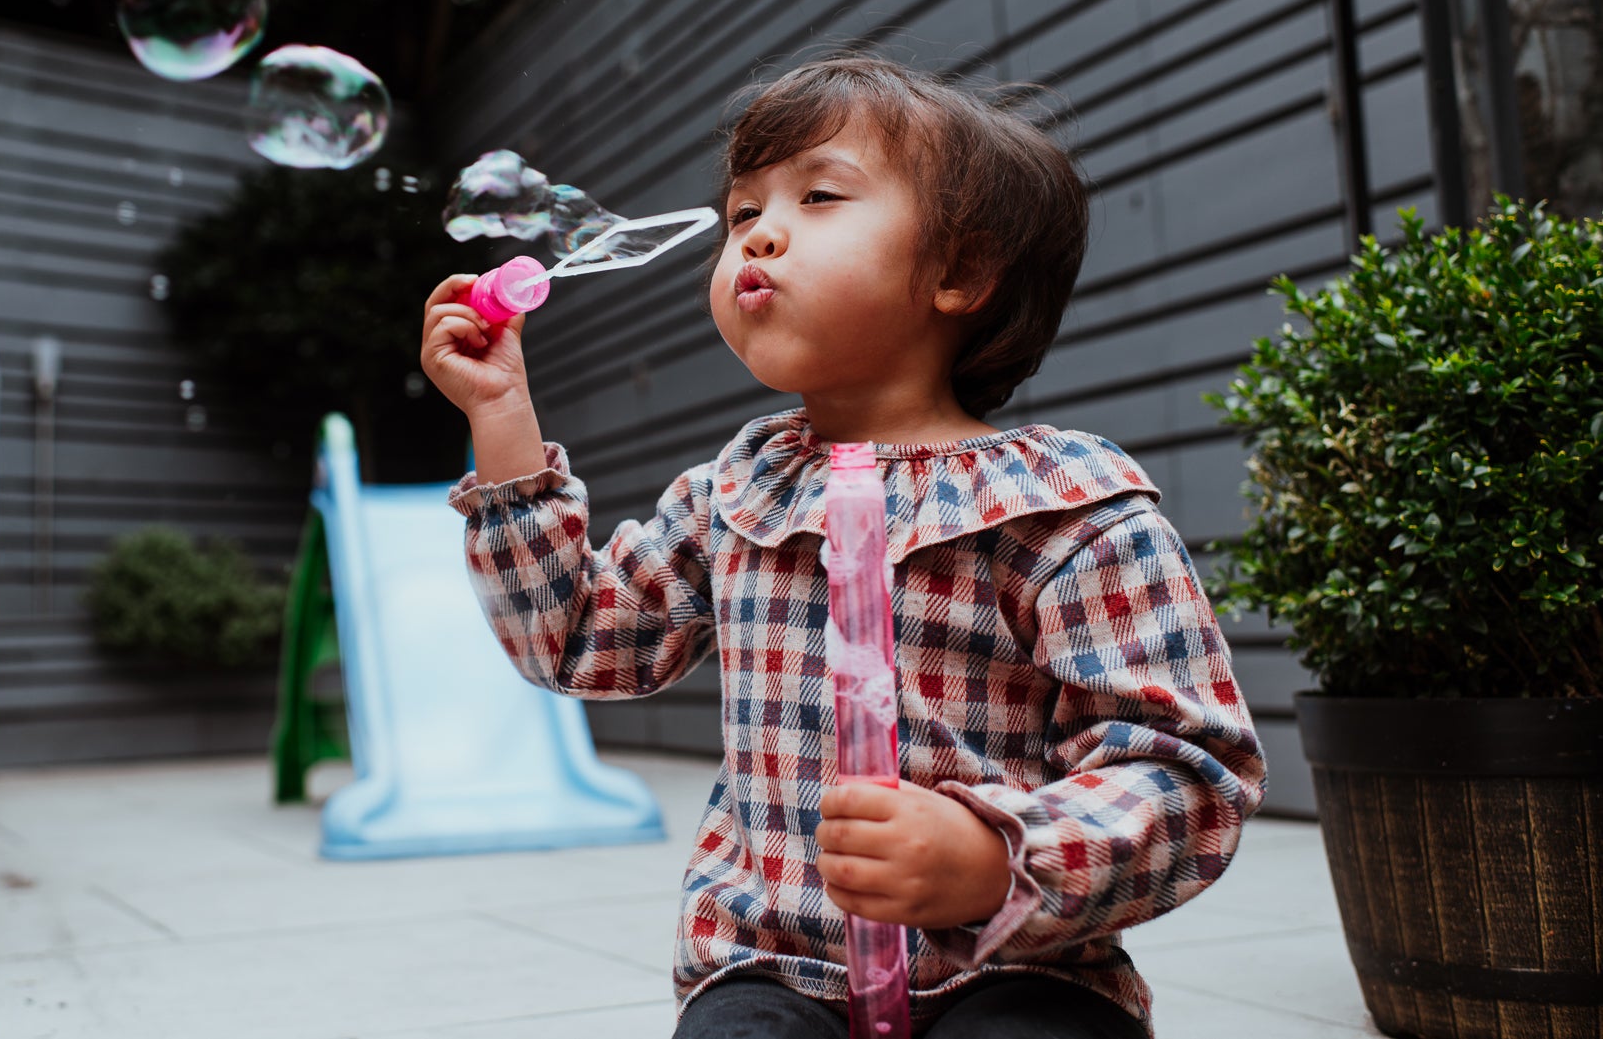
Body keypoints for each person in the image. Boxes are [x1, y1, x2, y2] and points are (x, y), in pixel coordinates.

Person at [418, 56, 1267, 1039]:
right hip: (779, 967)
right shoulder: (732, 493)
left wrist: (998, 857)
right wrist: (504, 417)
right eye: (741, 214)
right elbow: (579, 639)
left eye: (818, 196)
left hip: (1016, 960)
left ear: (960, 272)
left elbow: (1183, 771)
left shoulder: (1067, 508)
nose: (758, 235)